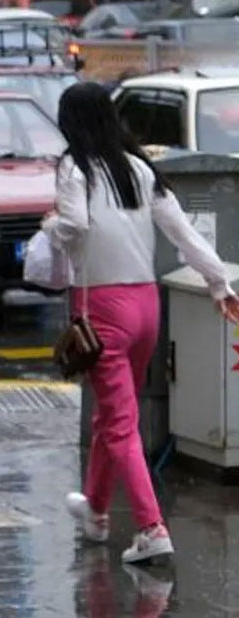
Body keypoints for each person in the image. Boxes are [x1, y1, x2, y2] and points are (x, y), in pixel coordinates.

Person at [47, 82, 239, 564]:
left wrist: (49, 228)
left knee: (120, 422)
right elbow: (182, 233)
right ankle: (95, 509)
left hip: (103, 309)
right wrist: (220, 283)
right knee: (114, 415)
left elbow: (75, 226)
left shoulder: (74, 168)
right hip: (145, 306)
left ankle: (151, 528)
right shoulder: (138, 168)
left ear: (70, 122)